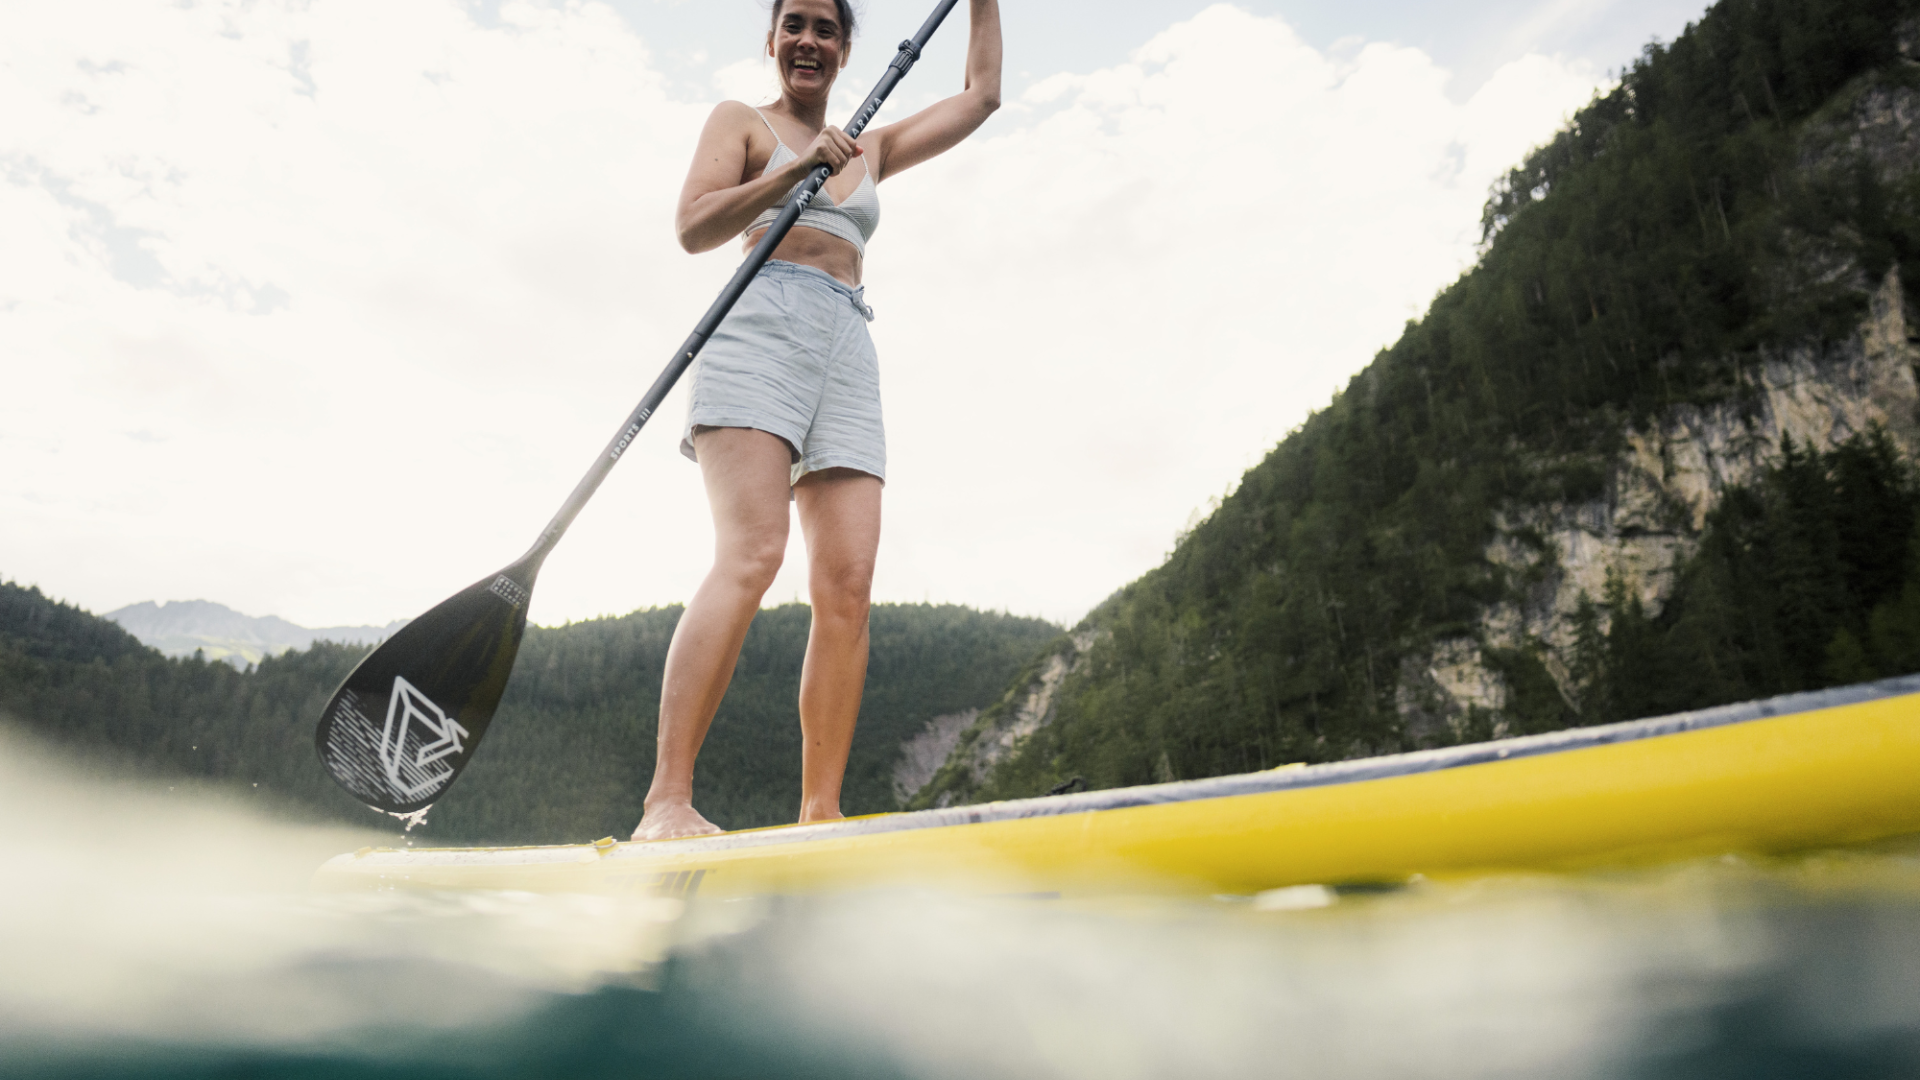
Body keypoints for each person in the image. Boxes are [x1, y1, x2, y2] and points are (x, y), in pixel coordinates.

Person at [632, 0, 1002, 840]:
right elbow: (694, 227)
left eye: (826, 29)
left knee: (846, 586)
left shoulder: (869, 145)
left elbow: (981, 96)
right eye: (793, 23)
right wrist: (791, 178)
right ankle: (667, 799)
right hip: (758, 329)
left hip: (846, 340)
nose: (808, 39)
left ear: (843, 52)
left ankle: (820, 813)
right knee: (754, 555)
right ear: (772, 41)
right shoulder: (743, 122)